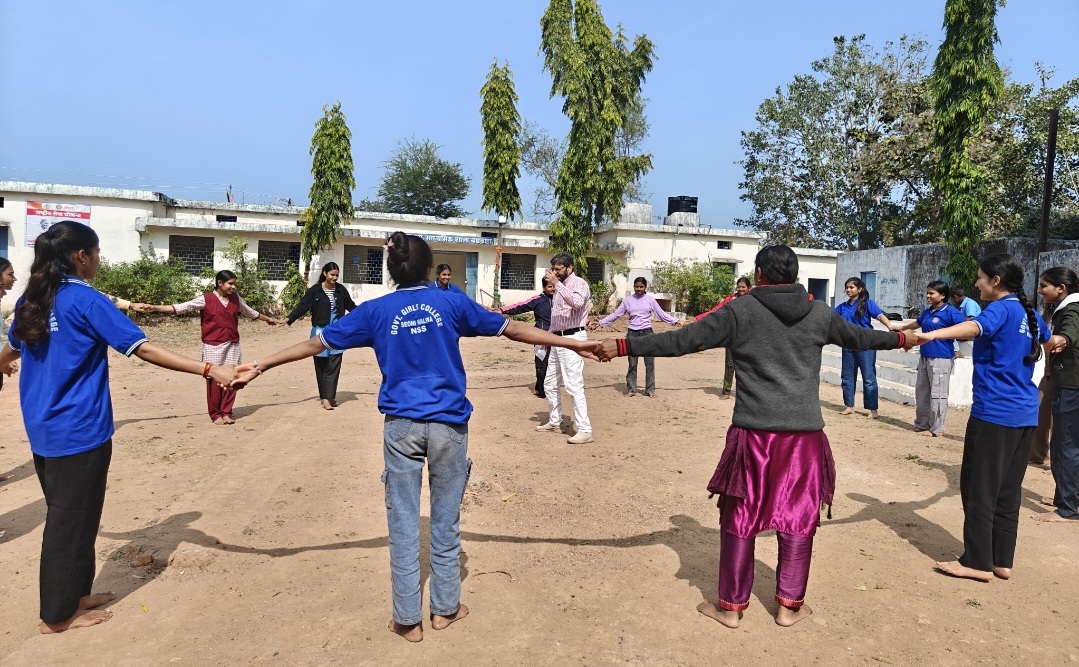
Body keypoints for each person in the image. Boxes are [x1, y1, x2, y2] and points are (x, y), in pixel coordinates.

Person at [229, 231, 599, 643]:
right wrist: (570, 344)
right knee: (446, 520)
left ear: (391, 270)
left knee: (403, 522)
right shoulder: (451, 302)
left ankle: (407, 620)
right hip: (449, 426)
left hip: (401, 427)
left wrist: (259, 365)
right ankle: (445, 609)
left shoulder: (376, 311)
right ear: (429, 268)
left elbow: (318, 343)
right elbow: (512, 329)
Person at [594, 245, 911, 628]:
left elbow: (681, 341)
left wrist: (623, 345)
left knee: (740, 518)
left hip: (754, 436)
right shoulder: (820, 314)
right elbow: (861, 338)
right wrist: (902, 340)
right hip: (804, 439)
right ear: (794, 274)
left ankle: (730, 608)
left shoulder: (739, 311)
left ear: (759, 274)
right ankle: (790, 608)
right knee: (798, 520)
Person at [0, 221, 236, 634]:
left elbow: (13, 347)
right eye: (96, 253)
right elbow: (142, 348)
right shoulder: (86, 299)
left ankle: (76, 594)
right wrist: (209, 369)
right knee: (69, 522)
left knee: (79, 515)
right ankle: (57, 616)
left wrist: (1, 362)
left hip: (43, 427)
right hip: (79, 430)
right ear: (81, 256)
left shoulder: (32, 298)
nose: (98, 260)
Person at [914, 254, 1050, 580]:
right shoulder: (1028, 312)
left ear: (996, 281)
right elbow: (1048, 338)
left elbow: (974, 327)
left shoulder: (1000, 309)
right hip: (1024, 413)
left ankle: (976, 562)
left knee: (979, 488)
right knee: (1007, 491)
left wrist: (932, 335)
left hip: (994, 413)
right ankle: (1001, 560)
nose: (977, 284)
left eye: (980, 278)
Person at [135, 270, 284, 424]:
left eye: (234, 284)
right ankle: (215, 414)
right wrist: (154, 307)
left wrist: (268, 319)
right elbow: (181, 307)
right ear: (220, 283)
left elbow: (250, 312)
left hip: (232, 344)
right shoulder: (205, 299)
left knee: (233, 377)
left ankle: (227, 411)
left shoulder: (235, 298)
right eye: (230, 284)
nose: (233, 287)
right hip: (213, 346)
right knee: (214, 379)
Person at [1035, 267, 1079, 523]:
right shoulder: (1067, 307)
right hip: (1071, 383)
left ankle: (1067, 508)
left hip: (1070, 386)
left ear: (1061, 288)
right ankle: (1068, 497)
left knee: (1064, 446)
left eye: (1044, 286)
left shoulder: (1071, 310)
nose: (1040, 290)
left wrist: (1055, 339)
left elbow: (1067, 336)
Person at [536, 253, 594, 444]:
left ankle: (585, 430)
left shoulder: (579, 283)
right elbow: (557, 316)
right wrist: (547, 337)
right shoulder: (558, 287)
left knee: (573, 385)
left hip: (573, 338)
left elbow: (577, 303)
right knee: (550, 383)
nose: (555, 272)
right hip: (556, 338)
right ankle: (555, 421)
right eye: (553, 269)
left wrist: (557, 285)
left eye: (558, 269)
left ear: (569, 268)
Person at [895, 281, 966, 437]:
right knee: (922, 392)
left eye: (931, 293)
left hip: (941, 358)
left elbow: (964, 329)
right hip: (925, 356)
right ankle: (922, 424)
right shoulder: (928, 312)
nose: (928, 296)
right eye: (927, 293)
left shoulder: (951, 312)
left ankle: (936, 428)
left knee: (938, 394)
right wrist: (901, 329)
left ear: (942, 295)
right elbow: (917, 323)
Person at [590, 276, 679, 397]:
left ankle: (650, 390)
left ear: (645, 287)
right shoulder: (628, 301)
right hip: (632, 334)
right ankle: (631, 389)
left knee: (649, 363)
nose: (639, 289)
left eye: (641, 287)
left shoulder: (650, 300)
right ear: (633, 287)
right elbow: (616, 315)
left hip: (647, 334)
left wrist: (677, 321)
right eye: (636, 287)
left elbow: (662, 314)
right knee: (632, 363)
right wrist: (600, 323)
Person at [285, 262, 357, 410]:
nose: (335, 278)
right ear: (325, 273)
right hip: (319, 332)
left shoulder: (341, 290)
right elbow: (302, 306)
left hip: (337, 332)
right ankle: (325, 398)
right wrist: (289, 319)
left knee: (334, 364)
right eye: (332, 275)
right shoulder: (315, 291)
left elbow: (351, 306)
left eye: (337, 275)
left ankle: (330, 396)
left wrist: (367, 315)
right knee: (321, 365)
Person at [835, 277, 896, 419]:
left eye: (851, 287)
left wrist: (890, 327)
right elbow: (831, 317)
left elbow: (880, 316)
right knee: (847, 377)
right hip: (848, 345)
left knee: (868, 378)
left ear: (860, 289)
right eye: (847, 287)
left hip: (866, 345)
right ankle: (849, 406)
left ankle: (873, 409)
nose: (848, 290)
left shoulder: (868, 304)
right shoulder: (842, 307)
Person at [694, 276, 753, 399]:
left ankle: (746, 393)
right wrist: (699, 319)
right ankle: (726, 392)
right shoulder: (731, 300)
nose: (741, 289)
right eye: (739, 287)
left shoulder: (754, 300)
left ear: (749, 288)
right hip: (732, 336)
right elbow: (716, 310)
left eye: (743, 287)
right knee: (730, 364)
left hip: (748, 336)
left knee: (747, 365)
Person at [497, 278, 556, 398]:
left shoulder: (560, 300)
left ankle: (544, 387)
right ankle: (541, 390)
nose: (552, 289)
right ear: (544, 287)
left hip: (557, 337)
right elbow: (520, 306)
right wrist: (502, 310)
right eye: (549, 287)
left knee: (553, 364)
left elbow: (572, 314)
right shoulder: (537, 300)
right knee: (541, 363)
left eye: (554, 286)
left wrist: (587, 322)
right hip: (540, 336)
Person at [950, 287, 982, 359]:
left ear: (955, 297)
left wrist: (956, 323)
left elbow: (971, 318)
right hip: (968, 328)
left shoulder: (969, 303)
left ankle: (956, 351)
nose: (953, 302)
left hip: (974, 329)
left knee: (950, 329)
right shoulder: (963, 304)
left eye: (952, 299)